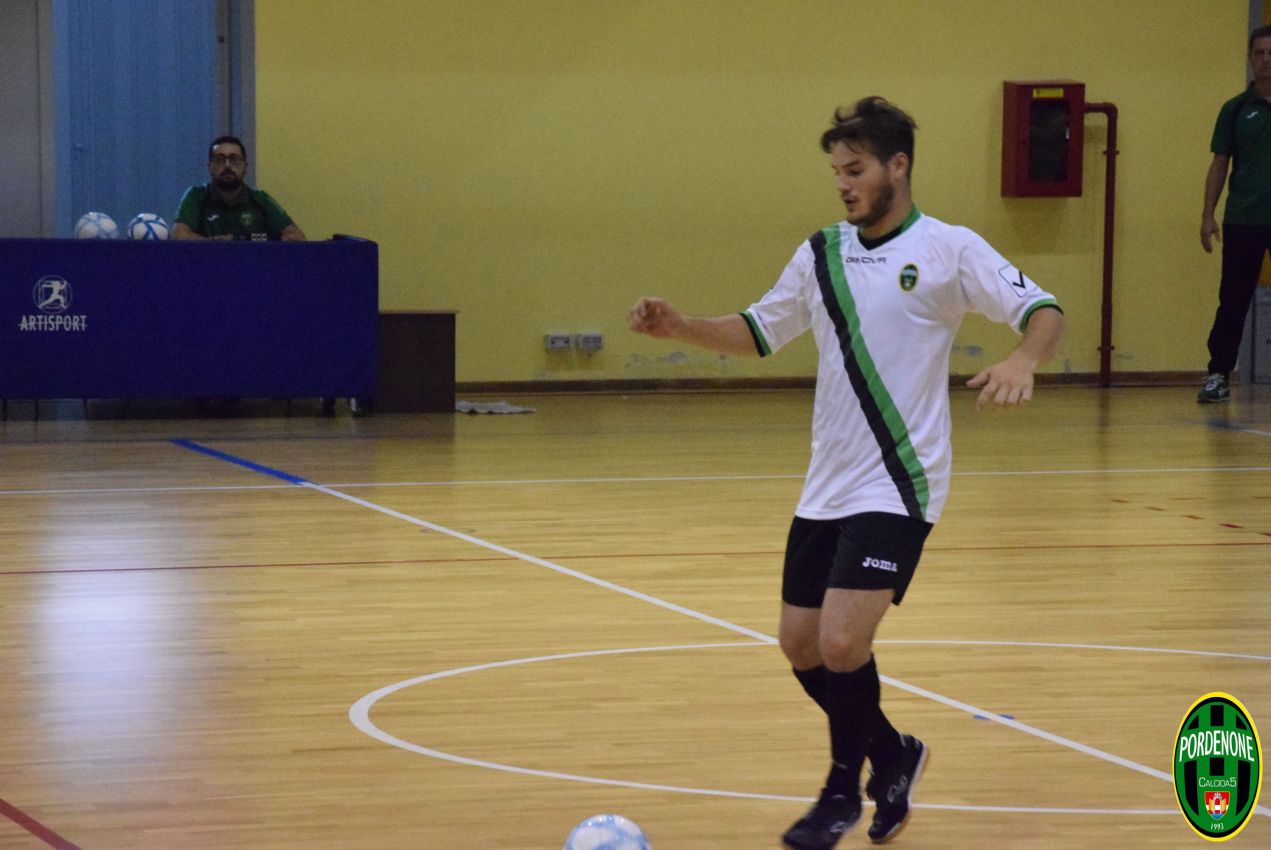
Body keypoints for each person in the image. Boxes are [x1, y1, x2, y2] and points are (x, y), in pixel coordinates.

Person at [628, 97, 1065, 849]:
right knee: (799, 644)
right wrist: (681, 326)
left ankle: (840, 794)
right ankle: (893, 754)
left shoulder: (949, 249)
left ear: (898, 166)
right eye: (836, 171)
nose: (843, 184)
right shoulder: (821, 253)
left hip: (899, 481)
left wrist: (1024, 358)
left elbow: (1044, 309)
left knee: (839, 642)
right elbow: (760, 331)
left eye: (855, 169)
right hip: (827, 481)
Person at [1198, 24, 1271, 403]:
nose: (1266, 60)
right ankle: (1218, 374)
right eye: (1259, 53)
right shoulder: (1235, 109)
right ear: (1250, 58)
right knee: (1233, 299)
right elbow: (1219, 164)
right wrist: (1207, 215)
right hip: (1244, 219)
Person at [173, 135, 306, 242]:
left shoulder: (260, 199)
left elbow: (297, 237)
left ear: (245, 166)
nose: (227, 165)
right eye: (220, 159)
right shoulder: (196, 196)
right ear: (210, 167)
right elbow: (180, 236)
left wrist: (240, 239)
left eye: (234, 159)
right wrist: (217, 244)